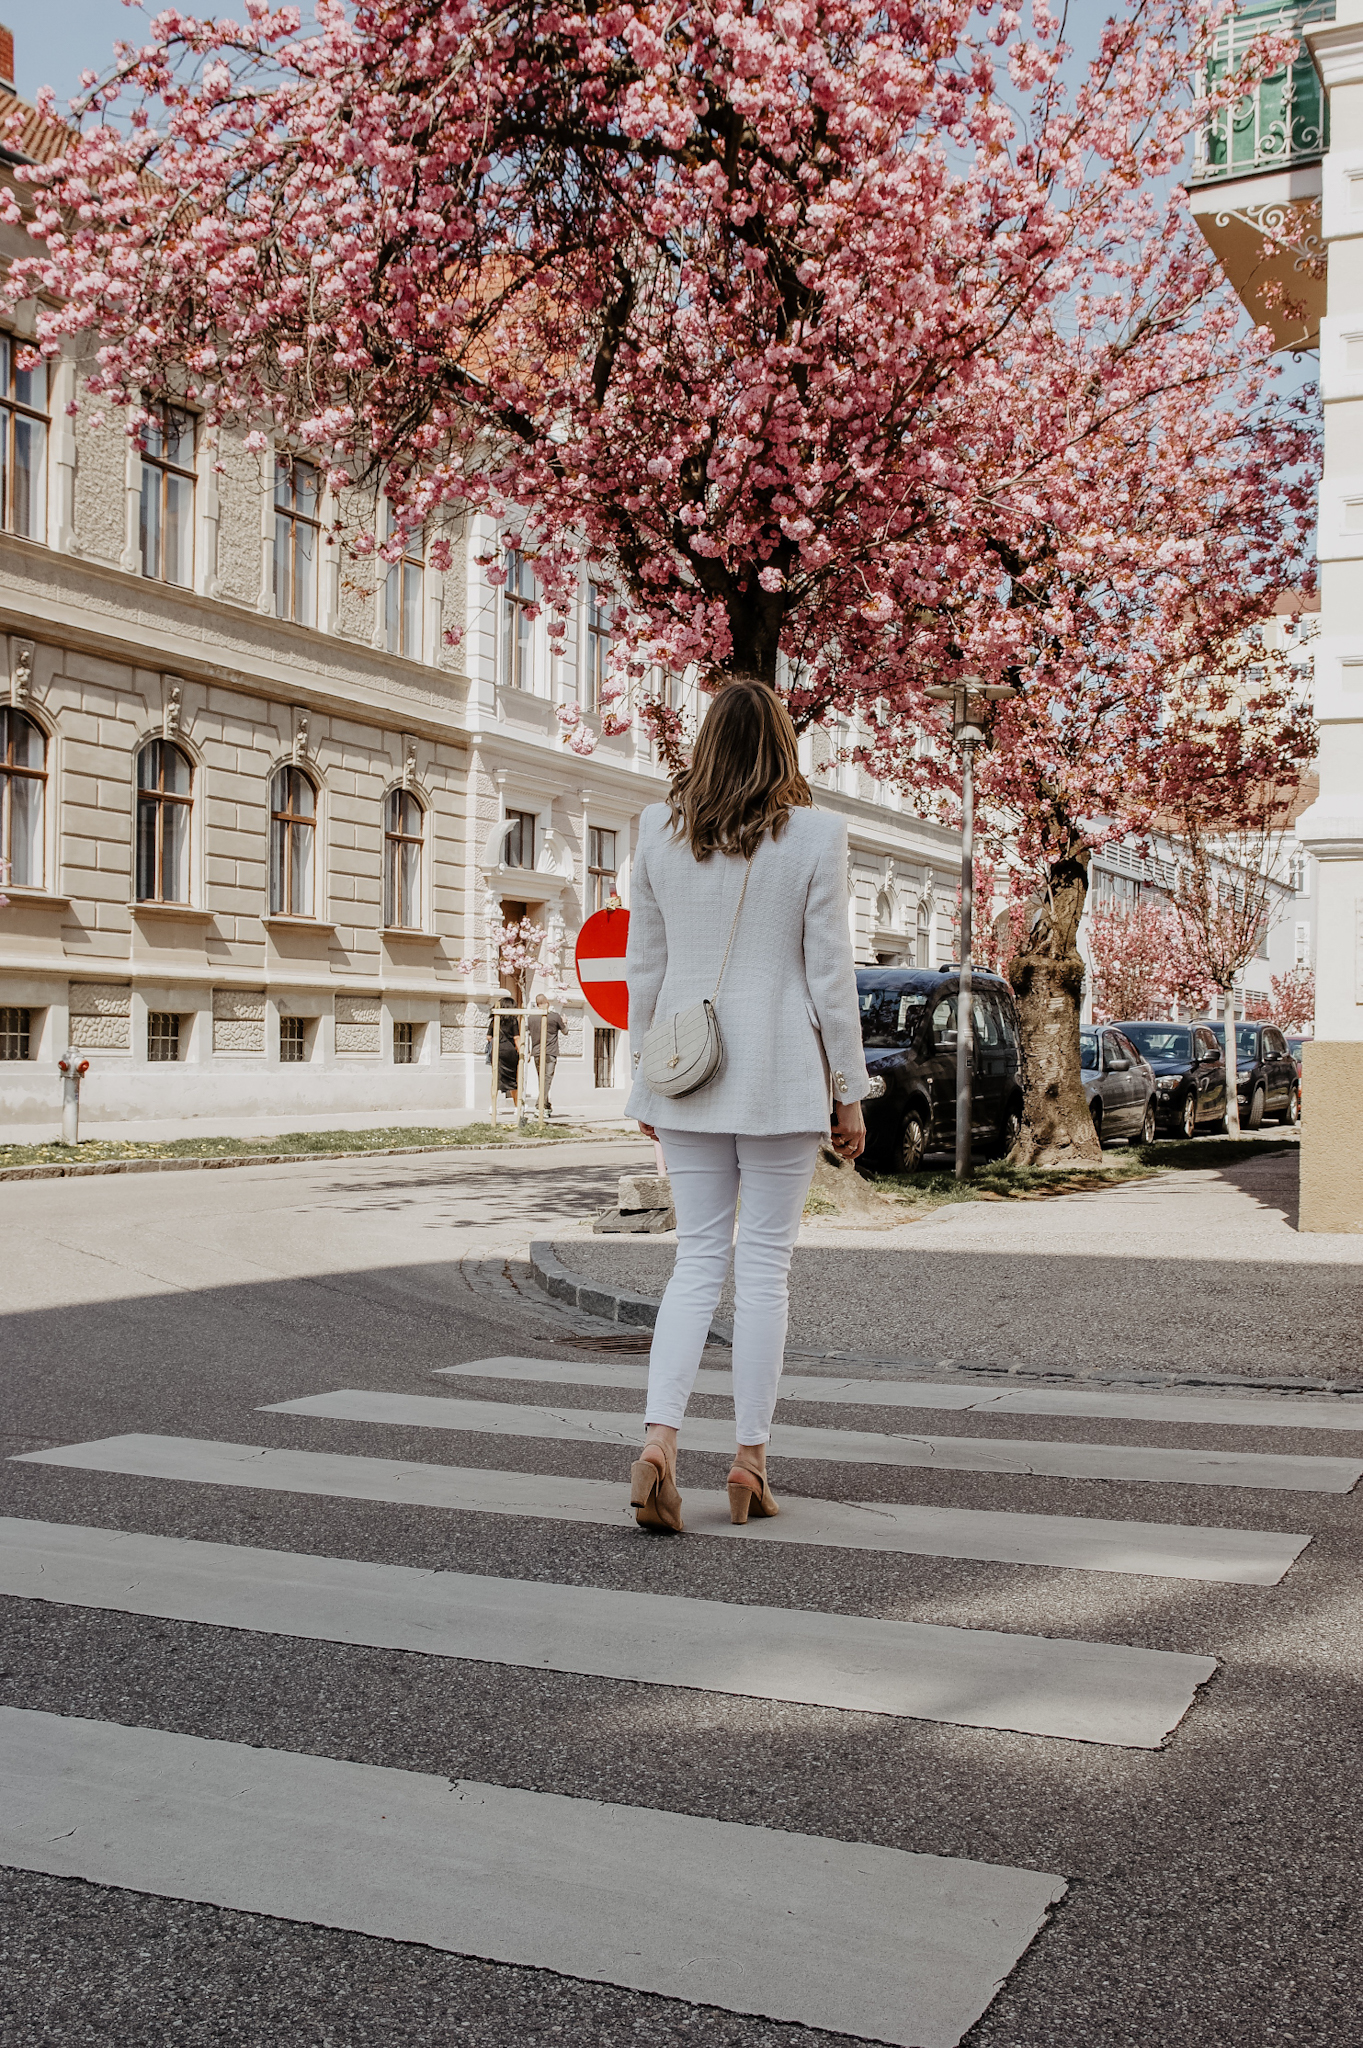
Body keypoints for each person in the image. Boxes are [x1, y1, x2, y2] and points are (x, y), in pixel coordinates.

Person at [623, 677, 870, 1533]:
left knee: (696, 1261)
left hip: (686, 1071)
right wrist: (850, 1092)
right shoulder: (816, 836)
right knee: (763, 1269)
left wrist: (641, 1082)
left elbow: (643, 971)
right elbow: (830, 976)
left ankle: (658, 1442)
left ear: (704, 745)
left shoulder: (656, 830)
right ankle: (748, 1463)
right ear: (782, 746)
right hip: (779, 1075)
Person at [524, 992, 566, 1115]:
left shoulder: (531, 1018)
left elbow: (528, 1034)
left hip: (536, 1052)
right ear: (547, 1003)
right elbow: (565, 1031)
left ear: (537, 1005)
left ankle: (546, 1106)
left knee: (542, 1079)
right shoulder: (555, 1016)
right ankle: (540, 1106)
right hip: (551, 1052)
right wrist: (565, 1022)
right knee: (547, 1080)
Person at [484, 992, 521, 1108]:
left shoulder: (495, 1020)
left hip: (496, 1050)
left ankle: (493, 1106)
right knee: (513, 1080)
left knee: (495, 1078)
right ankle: (517, 1106)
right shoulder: (513, 1021)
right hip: (509, 1051)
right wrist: (522, 1052)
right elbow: (517, 1038)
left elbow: (488, 1037)